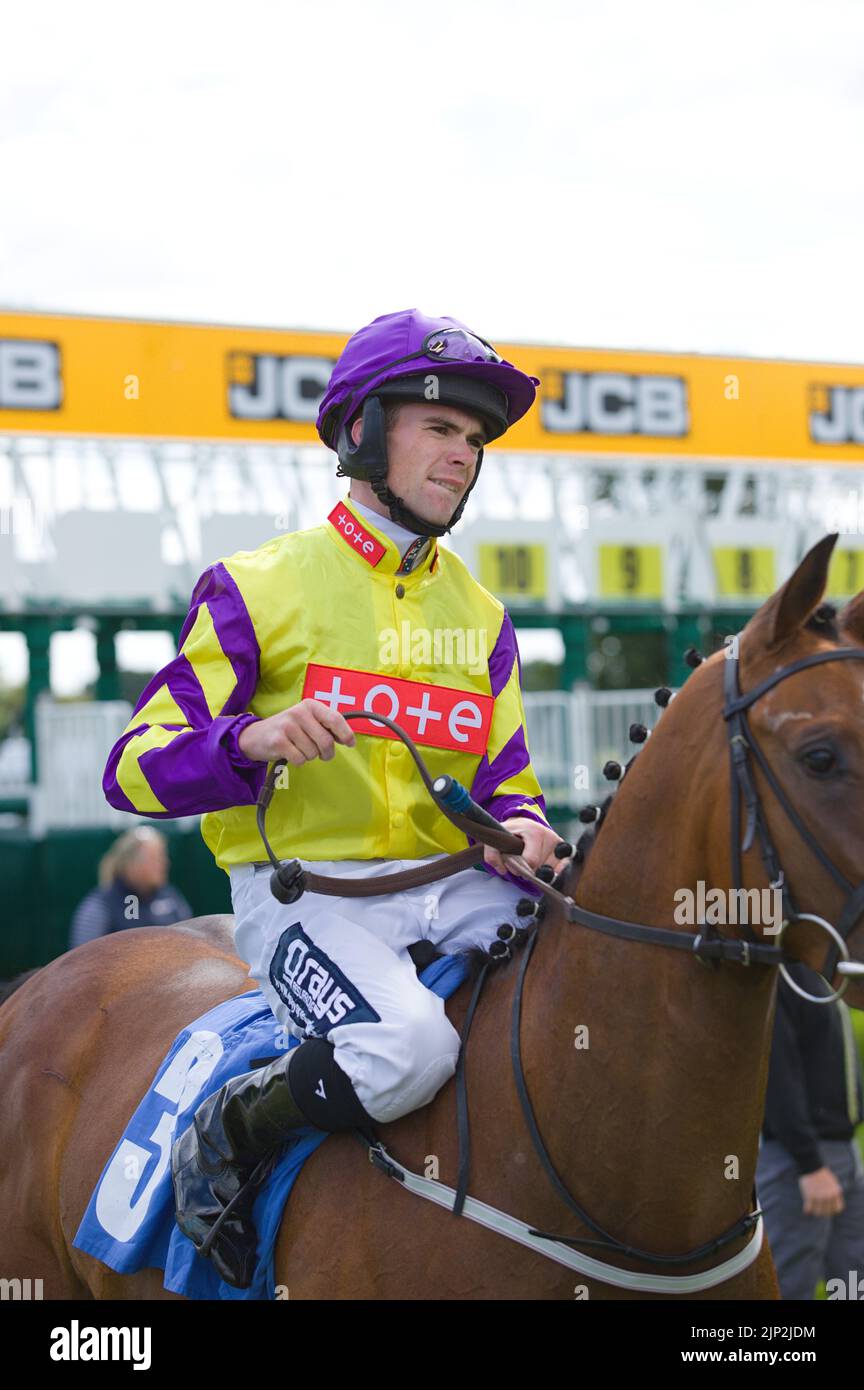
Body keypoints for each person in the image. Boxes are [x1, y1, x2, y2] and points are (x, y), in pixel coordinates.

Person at [103, 308, 563, 1288]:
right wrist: (251, 740)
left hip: (455, 888)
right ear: (360, 430)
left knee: (606, 967)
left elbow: (506, 774)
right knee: (403, 1049)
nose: (462, 457)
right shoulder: (253, 586)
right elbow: (133, 766)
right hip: (308, 898)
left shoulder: (481, 616)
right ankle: (234, 1125)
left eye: (474, 441)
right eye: (440, 427)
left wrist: (520, 823)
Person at [757, 961, 864, 1299]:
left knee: (855, 1282)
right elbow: (777, 1081)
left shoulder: (821, 973)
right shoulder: (782, 977)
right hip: (801, 1164)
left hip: (843, 1154)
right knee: (789, 1283)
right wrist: (810, 1166)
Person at [68, 826, 192, 949]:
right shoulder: (100, 905)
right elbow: (84, 958)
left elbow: (190, 943)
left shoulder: (171, 897)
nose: (164, 863)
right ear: (131, 863)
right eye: (155, 859)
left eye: (162, 857)